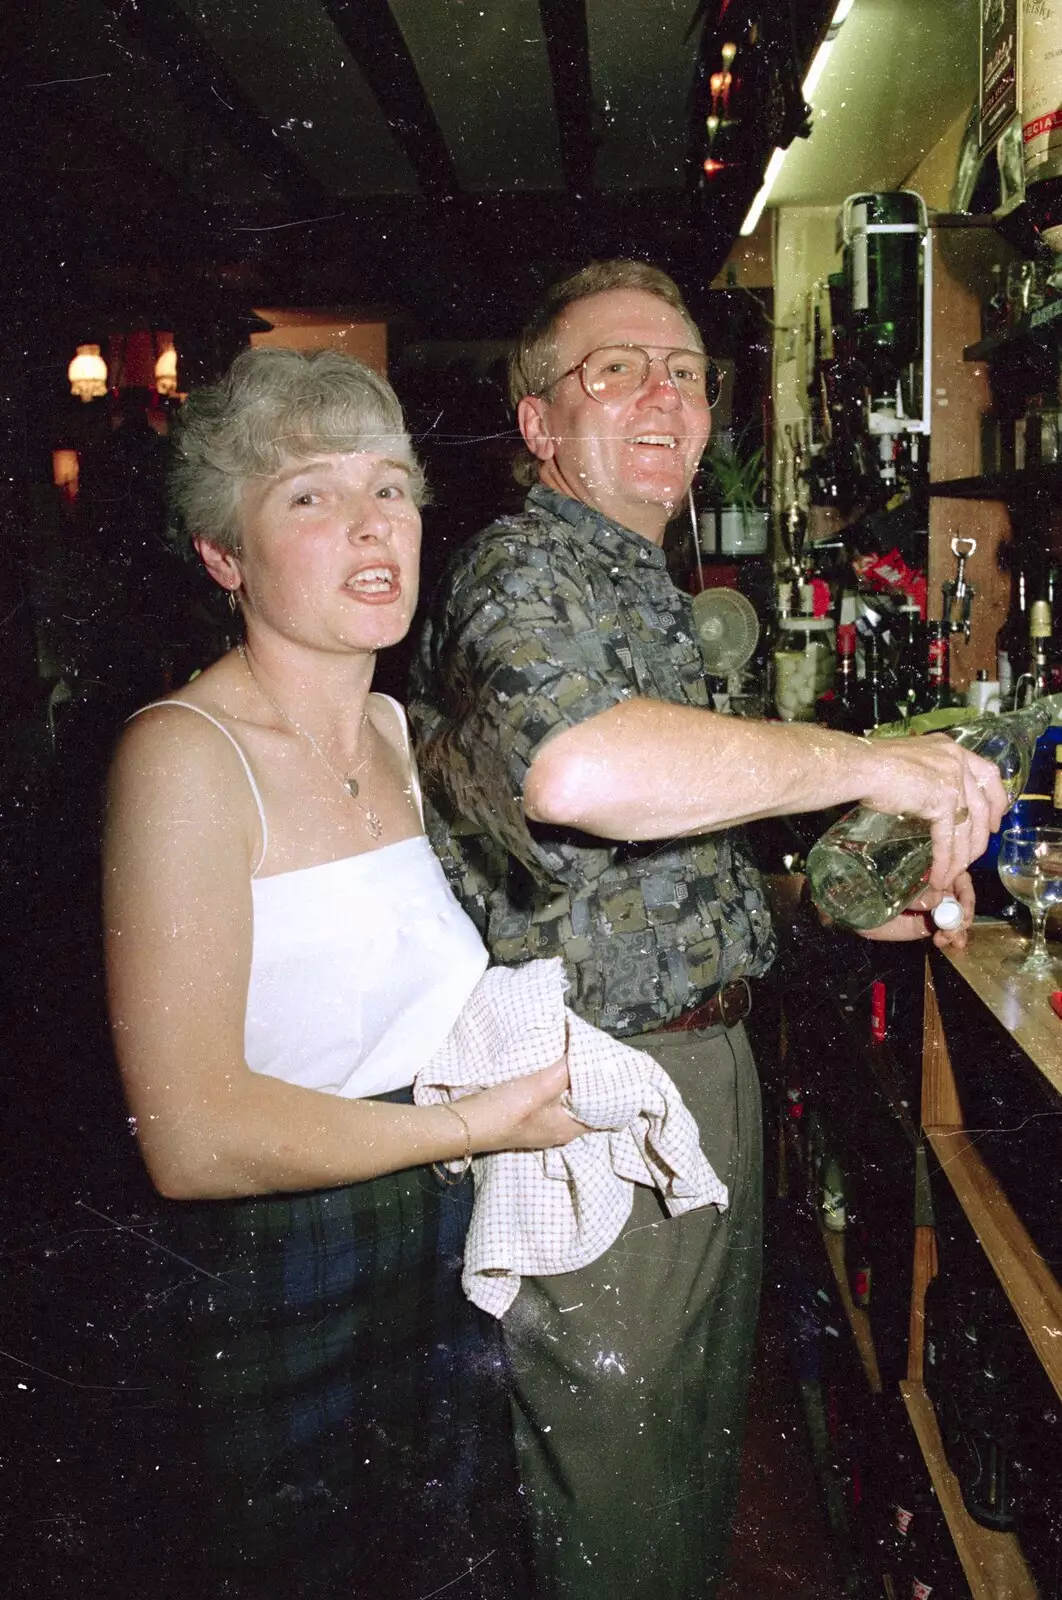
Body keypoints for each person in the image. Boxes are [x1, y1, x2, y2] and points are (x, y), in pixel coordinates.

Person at [408, 259, 1007, 1599]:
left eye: (683, 371)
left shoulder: (631, 584)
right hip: (608, 1101)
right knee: (617, 1508)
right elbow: (575, 775)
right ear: (537, 423)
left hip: (691, 1075)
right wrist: (867, 762)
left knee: (670, 1480)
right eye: (613, 369)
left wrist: (835, 906)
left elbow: (643, 877)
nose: (662, 397)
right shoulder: (523, 568)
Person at [101, 347, 584, 1599]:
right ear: (225, 554)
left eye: (390, 486)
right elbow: (191, 1133)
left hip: (435, 1235)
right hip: (271, 1262)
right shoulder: (183, 756)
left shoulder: (392, 730)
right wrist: (476, 1122)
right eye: (309, 494)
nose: (371, 524)